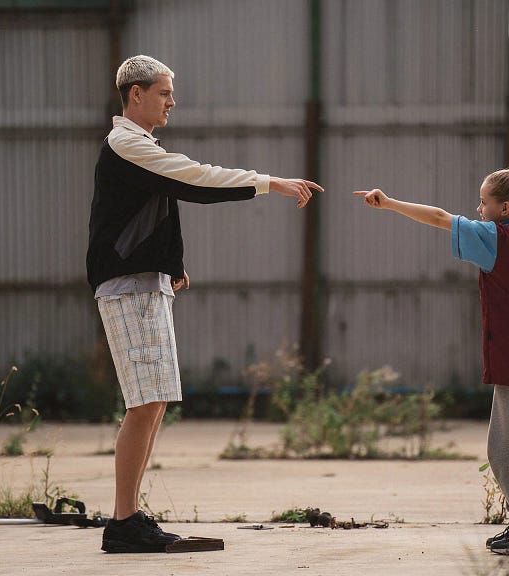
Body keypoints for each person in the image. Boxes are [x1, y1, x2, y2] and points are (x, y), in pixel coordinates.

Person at [87, 55, 323, 553]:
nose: (172, 101)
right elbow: (193, 180)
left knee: (155, 401)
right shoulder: (127, 144)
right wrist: (268, 182)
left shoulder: (141, 146)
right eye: (164, 92)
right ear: (136, 95)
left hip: (145, 282)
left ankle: (129, 518)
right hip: (127, 286)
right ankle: (123, 521)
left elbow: (152, 209)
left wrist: (169, 262)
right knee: (144, 402)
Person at [353, 169, 509, 556]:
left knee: (505, 449)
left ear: (504, 208)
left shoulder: (496, 236)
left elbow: (440, 218)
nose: (478, 209)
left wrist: (388, 203)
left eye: (484, 203)